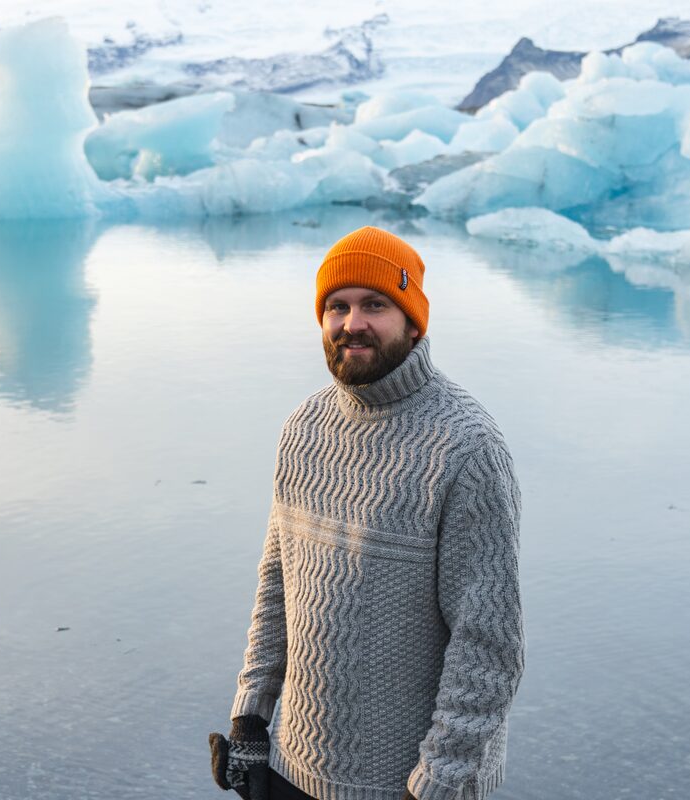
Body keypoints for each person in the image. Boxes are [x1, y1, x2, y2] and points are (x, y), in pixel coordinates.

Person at [210, 226, 524, 800]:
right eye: (337, 306)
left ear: (413, 320)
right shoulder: (303, 429)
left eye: (375, 304)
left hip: (410, 786)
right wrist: (251, 717)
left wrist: (434, 783)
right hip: (293, 769)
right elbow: (277, 588)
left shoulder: (467, 448)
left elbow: (489, 648)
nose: (352, 322)